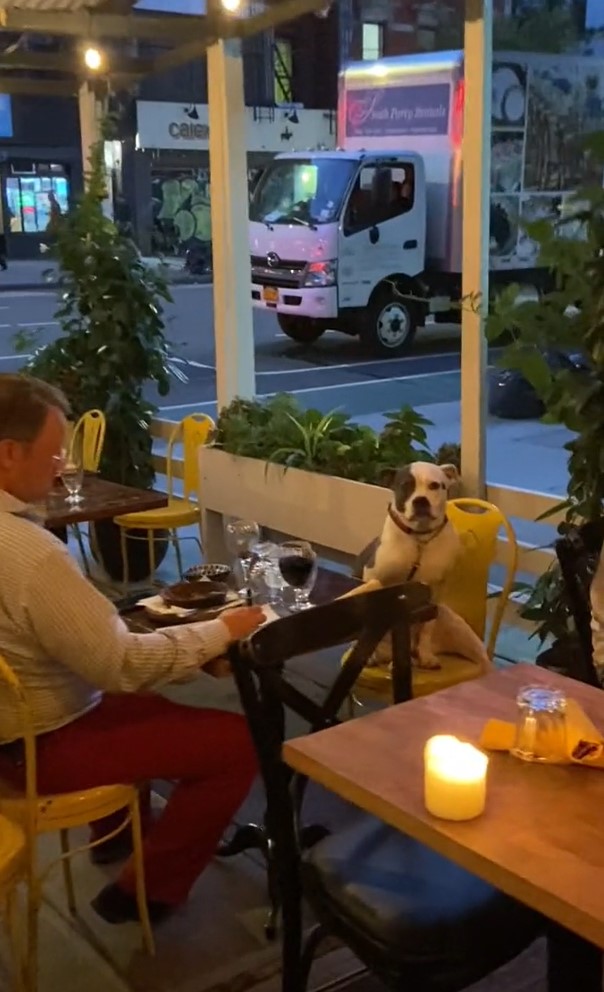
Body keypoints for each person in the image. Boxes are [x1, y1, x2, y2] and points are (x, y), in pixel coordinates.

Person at [0, 374, 265, 926]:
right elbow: (120, 665)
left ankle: (117, 836)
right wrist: (224, 631)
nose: (62, 467)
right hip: (34, 745)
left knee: (157, 710)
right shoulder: (29, 555)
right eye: (53, 455)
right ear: (8, 454)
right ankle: (147, 890)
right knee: (240, 741)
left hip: (21, 724)